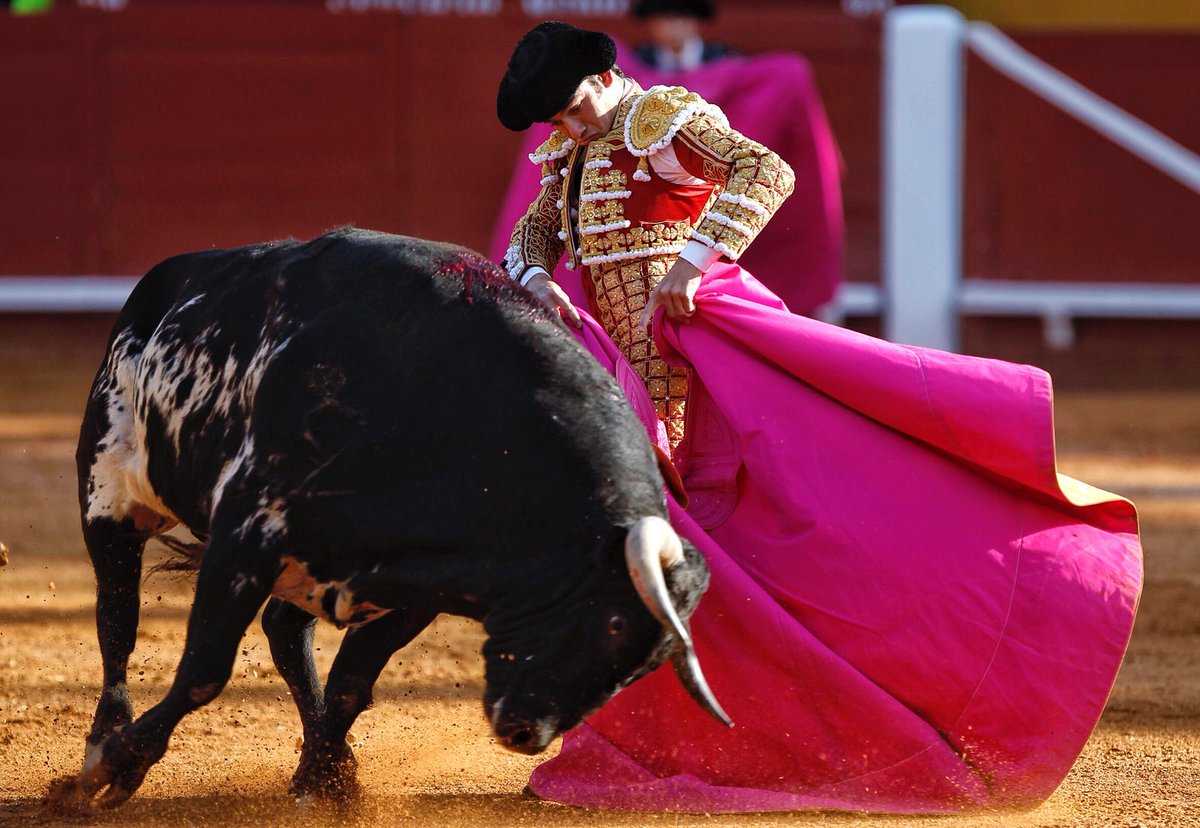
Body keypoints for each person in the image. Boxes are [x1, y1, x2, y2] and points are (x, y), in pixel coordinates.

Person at [495, 22, 1142, 814]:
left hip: (709, 365)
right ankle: (694, 733)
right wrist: (532, 273)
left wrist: (693, 264)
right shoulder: (578, 148)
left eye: (567, 111)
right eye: (554, 122)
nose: (565, 130)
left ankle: (816, 719)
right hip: (636, 375)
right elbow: (537, 227)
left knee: (761, 532)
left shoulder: (661, 117)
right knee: (670, 544)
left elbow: (767, 172)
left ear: (601, 78)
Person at [630, 0, 738, 72]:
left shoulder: (722, 58)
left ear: (696, 24)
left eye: (683, 19)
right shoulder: (638, 59)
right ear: (652, 25)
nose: (675, 26)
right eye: (667, 19)